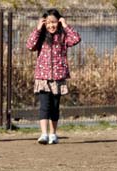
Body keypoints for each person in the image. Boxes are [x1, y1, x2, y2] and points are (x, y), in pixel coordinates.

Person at [26, 9, 81, 144]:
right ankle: (44, 134)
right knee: (44, 106)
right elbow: (30, 45)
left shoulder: (63, 37)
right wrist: (38, 29)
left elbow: (76, 39)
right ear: (45, 23)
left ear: (58, 22)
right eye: (48, 23)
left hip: (58, 77)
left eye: (54, 22)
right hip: (43, 77)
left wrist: (66, 25)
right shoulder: (41, 36)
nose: (51, 26)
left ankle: (53, 134)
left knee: (55, 107)